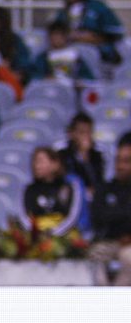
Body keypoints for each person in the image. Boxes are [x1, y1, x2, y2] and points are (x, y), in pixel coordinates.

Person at [90, 142, 131, 285]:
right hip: (107, 241)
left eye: (126, 161)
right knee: (94, 258)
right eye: (118, 160)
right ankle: (103, 299)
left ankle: (117, 302)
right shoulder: (104, 189)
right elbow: (98, 217)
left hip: (129, 245)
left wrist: (115, 214)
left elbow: (111, 215)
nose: (120, 166)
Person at [55, 0, 124, 64]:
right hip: (69, 48)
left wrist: (92, 37)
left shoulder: (97, 6)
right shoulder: (63, 11)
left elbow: (115, 31)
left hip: (96, 48)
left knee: (84, 52)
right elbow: (56, 31)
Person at [23, 147, 83, 235]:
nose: (36, 166)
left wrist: (54, 233)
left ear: (55, 164)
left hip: (64, 235)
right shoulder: (28, 189)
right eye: (34, 161)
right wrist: (37, 233)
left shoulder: (70, 187)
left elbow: (73, 216)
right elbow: (24, 216)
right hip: (36, 234)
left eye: (40, 161)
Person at [32, 21, 95, 85]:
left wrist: (80, 82)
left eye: (60, 35)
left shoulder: (76, 56)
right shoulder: (43, 57)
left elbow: (88, 78)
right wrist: (45, 79)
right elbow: (35, 77)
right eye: (53, 35)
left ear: (66, 37)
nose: (56, 38)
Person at [57, 112, 105, 197]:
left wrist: (85, 155)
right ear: (71, 134)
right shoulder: (62, 157)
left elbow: (98, 183)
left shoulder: (97, 157)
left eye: (89, 132)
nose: (87, 136)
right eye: (82, 132)